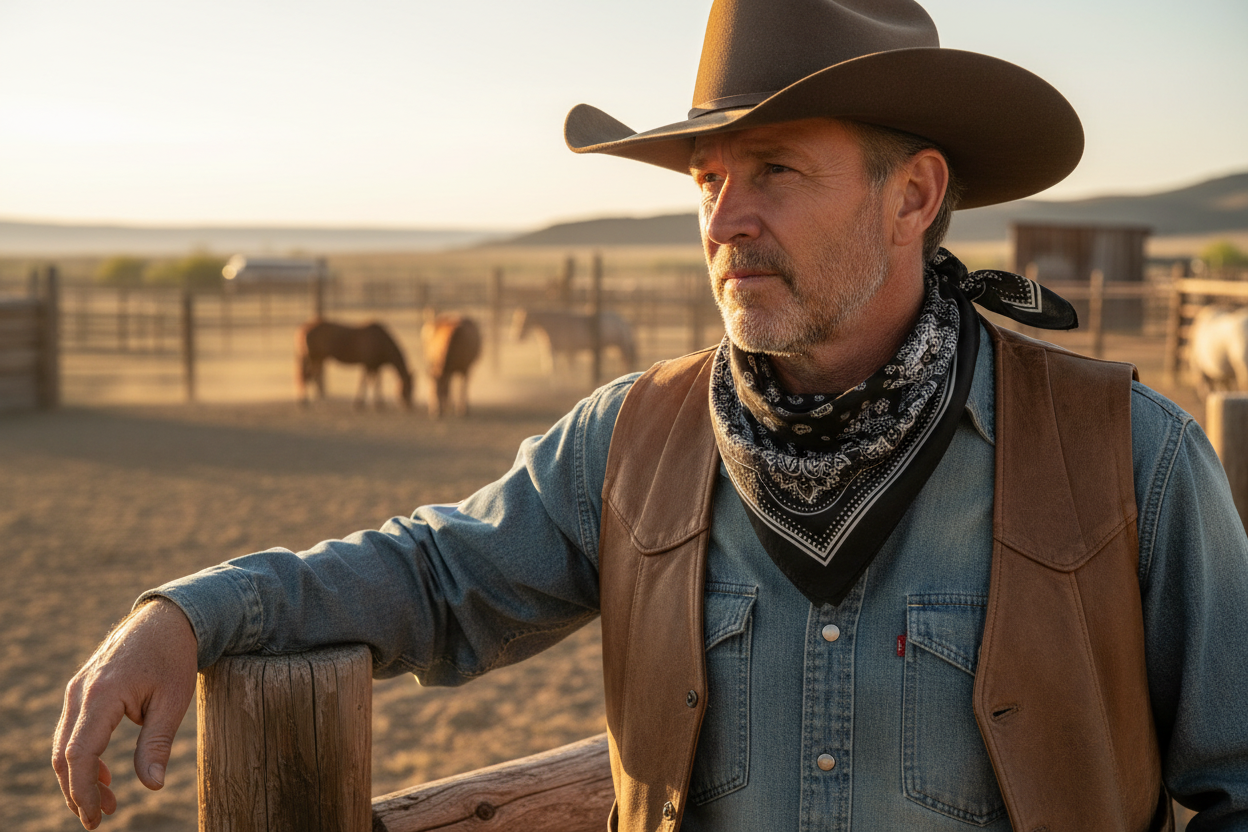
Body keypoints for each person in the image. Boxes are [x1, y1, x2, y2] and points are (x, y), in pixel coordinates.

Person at [54, 0, 1248, 830]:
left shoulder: (1130, 461)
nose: (725, 220)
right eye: (706, 180)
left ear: (914, 195)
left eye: (773, 169)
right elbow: (434, 575)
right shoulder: (633, 443)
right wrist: (194, 613)